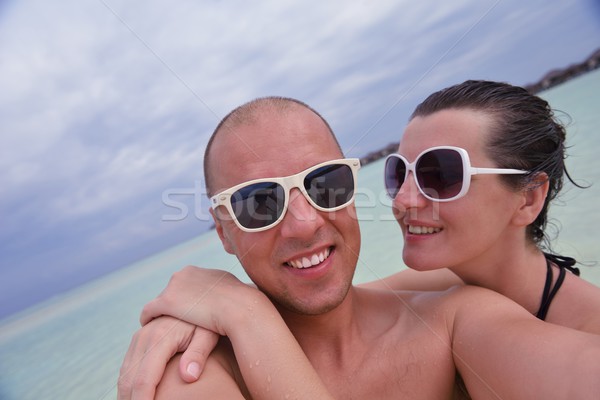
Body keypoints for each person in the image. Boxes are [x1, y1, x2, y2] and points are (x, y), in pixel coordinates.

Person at [118, 95, 600, 400]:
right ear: (223, 232)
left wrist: (246, 313)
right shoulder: (192, 366)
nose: (304, 224)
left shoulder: (459, 318)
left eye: (326, 183)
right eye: (259, 202)